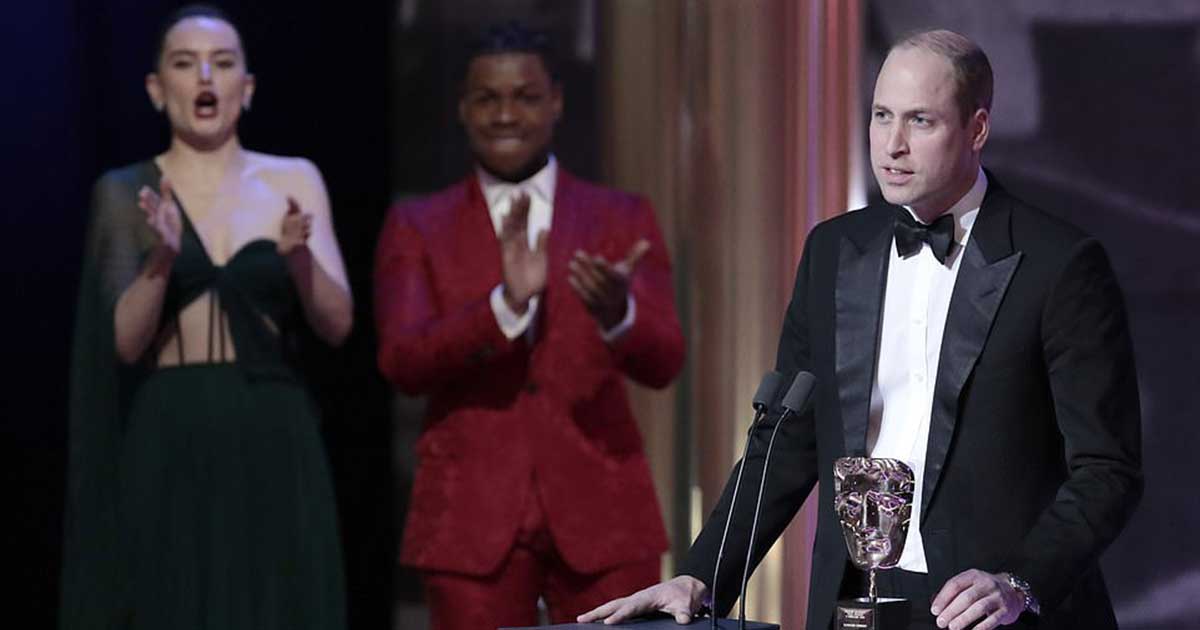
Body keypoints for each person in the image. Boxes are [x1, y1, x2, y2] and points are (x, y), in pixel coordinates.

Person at [581, 29, 1142, 630]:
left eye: (920, 121)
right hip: (854, 602)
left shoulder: (1058, 263)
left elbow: (1107, 469)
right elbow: (786, 438)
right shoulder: (833, 250)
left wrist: (1019, 583)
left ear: (976, 129)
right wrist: (702, 575)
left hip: (993, 610)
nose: (892, 145)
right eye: (881, 116)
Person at [374, 21, 686, 630]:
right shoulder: (419, 225)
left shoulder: (620, 216)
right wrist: (503, 307)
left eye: (525, 96)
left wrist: (618, 315)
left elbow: (665, 361)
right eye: (487, 98)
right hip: (470, 515)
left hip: (604, 509)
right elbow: (401, 361)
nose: (505, 114)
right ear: (462, 108)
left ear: (556, 102)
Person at [60, 6, 352, 629]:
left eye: (222, 63)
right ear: (156, 88)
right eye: (185, 63)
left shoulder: (294, 180)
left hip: (272, 428)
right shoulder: (127, 192)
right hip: (171, 428)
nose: (204, 78)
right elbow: (124, 343)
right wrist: (163, 257)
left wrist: (299, 258)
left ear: (247, 87)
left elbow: (337, 324)